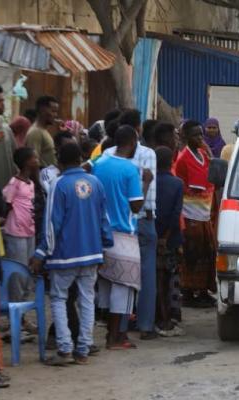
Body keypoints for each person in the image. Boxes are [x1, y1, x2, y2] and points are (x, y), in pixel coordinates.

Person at [31, 142, 113, 365]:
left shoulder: (59, 184)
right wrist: (105, 246)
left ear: (59, 160)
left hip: (65, 254)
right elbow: (104, 219)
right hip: (91, 252)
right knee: (87, 300)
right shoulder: (95, 183)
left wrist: (41, 252)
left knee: (58, 298)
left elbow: (51, 223)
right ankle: (83, 350)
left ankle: (65, 348)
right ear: (80, 158)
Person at [102, 109, 158, 340]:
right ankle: (144, 326)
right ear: (138, 130)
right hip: (139, 220)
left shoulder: (105, 156)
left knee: (115, 277)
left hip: (108, 223)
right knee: (143, 276)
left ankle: (118, 327)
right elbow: (142, 198)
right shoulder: (147, 154)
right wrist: (145, 183)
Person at [93, 125, 149, 349]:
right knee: (125, 287)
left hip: (101, 231)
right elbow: (136, 206)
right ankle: (116, 336)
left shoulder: (99, 163)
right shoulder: (129, 169)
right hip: (123, 232)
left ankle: (110, 333)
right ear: (133, 143)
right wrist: (146, 182)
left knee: (106, 284)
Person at [174, 120, 216, 307]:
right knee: (194, 253)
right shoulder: (184, 159)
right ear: (186, 137)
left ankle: (203, 289)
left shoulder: (202, 154)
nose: (200, 138)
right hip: (191, 214)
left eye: (201, 134)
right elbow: (193, 186)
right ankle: (189, 291)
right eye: (195, 135)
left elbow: (213, 174)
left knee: (208, 252)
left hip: (204, 212)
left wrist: (210, 153)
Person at [2, 148, 39, 307]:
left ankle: (21, 309)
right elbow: (7, 205)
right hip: (16, 232)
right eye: (34, 157)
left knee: (27, 271)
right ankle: (15, 311)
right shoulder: (14, 183)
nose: (37, 160)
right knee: (17, 272)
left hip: (29, 231)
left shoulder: (31, 183)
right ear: (26, 162)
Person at [154, 146, 185, 336]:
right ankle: (166, 320)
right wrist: (165, 238)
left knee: (156, 280)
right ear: (172, 161)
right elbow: (175, 215)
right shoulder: (177, 184)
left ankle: (158, 318)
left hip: (152, 235)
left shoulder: (148, 181)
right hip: (170, 239)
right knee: (167, 280)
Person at [25, 96, 59, 168]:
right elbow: (33, 163)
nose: (55, 115)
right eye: (53, 111)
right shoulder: (36, 132)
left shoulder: (43, 131)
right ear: (42, 110)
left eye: (56, 112)